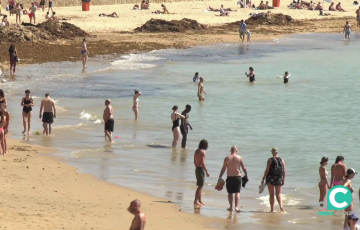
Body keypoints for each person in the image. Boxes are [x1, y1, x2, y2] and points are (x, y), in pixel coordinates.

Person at [218, 146, 248, 212]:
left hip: (230, 177)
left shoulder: (227, 158)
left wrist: (220, 177)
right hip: (237, 177)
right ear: (236, 151)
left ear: (230, 151)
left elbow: (223, 169)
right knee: (237, 192)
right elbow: (243, 168)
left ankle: (231, 207)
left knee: (230, 193)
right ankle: (236, 207)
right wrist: (246, 175)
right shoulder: (239, 158)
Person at [261, 147, 286, 213]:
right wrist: (283, 180)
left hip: (270, 178)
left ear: (272, 152)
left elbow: (267, 170)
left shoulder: (270, 160)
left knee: (271, 194)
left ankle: (272, 209)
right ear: (277, 152)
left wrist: (263, 178)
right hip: (279, 178)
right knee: (279, 194)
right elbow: (284, 171)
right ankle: (281, 206)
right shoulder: (282, 160)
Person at [194, 139, 209, 206]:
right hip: (200, 169)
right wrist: (206, 171)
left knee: (200, 185)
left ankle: (199, 200)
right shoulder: (203, 152)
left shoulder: (196, 151)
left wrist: (197, 167)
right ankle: (195, 200)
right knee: (200, 186)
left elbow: (194, 161)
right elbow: (202, 163)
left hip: (197, 169)